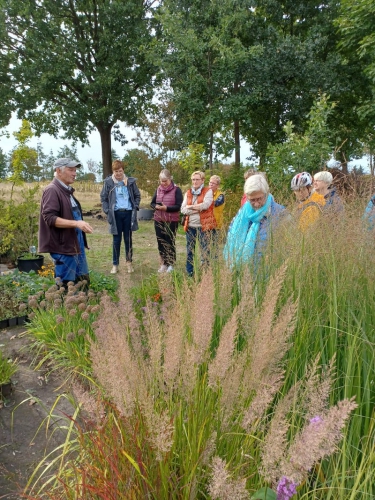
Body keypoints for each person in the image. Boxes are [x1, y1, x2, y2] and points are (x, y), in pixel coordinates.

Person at [38, 158, 93, 289]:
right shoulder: (52, 190)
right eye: (70, 170)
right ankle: (65, 309)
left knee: (82, 282)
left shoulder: (67, 191)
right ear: (58, 171)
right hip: (63, 248)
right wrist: (76, 223)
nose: (74, 173)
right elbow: (50, 218)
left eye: (75, 170)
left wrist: (79, 224)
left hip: (74, 245)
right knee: (67, 287)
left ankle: (82, 308)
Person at [224, 174, 286, 268]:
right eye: (252, 200)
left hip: (270, 270)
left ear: (267, 193)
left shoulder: (281, 214)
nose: (256, 204)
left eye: (259, 199)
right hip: (244, 271)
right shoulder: (242, 214)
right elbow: (231, 236)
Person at [100, 160, 141, 274]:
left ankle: (129, 263)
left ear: (123, 170)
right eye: (116, 171)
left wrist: (135, 206)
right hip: (116, 214)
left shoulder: (131, 182)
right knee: (116, 240)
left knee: (128, 239)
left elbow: (137, 195)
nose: (118, 174)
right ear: (113, 171)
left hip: (128, 214)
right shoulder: (108, 182)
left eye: (120, 171)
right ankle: (115, 264)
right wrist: (107, 210)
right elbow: (103, 198)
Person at [181, 170, 216, 277]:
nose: (195, 182)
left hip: (203, 227)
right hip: (190, 226)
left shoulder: (208, 191)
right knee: (190, 251)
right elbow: (183, 209)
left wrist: (190, 207)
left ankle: (206, 274)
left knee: (205, 252)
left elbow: (205, 205)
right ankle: (190, 273)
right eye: (193, 179)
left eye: (197, 179)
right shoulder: (188, 193)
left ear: (202, 180)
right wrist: (197, 209)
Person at [150, 169, 183, 273]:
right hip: (158, 219)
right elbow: (152, 203)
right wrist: (156, 206)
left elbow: (179, 206)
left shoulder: (176, 190)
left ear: (170, 179)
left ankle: (171, 264)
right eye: (161, 181)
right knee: (160, 242)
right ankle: (163, 263)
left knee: (169, 242)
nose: (163, 183)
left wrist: (166, 208)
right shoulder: (158, 189)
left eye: (165, 181)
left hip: (171, 220)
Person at [208, 175, 225, 253]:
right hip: (206, 223)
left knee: (214, 245)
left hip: (216, 224)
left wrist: (204, 202)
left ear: (217, 185)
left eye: (213, 183)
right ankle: (204, 262)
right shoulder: (205, 193)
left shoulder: (221, 195)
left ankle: (214, 262)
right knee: (205, 244)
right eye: (210, 182)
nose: (211, 184)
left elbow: (214, 204)